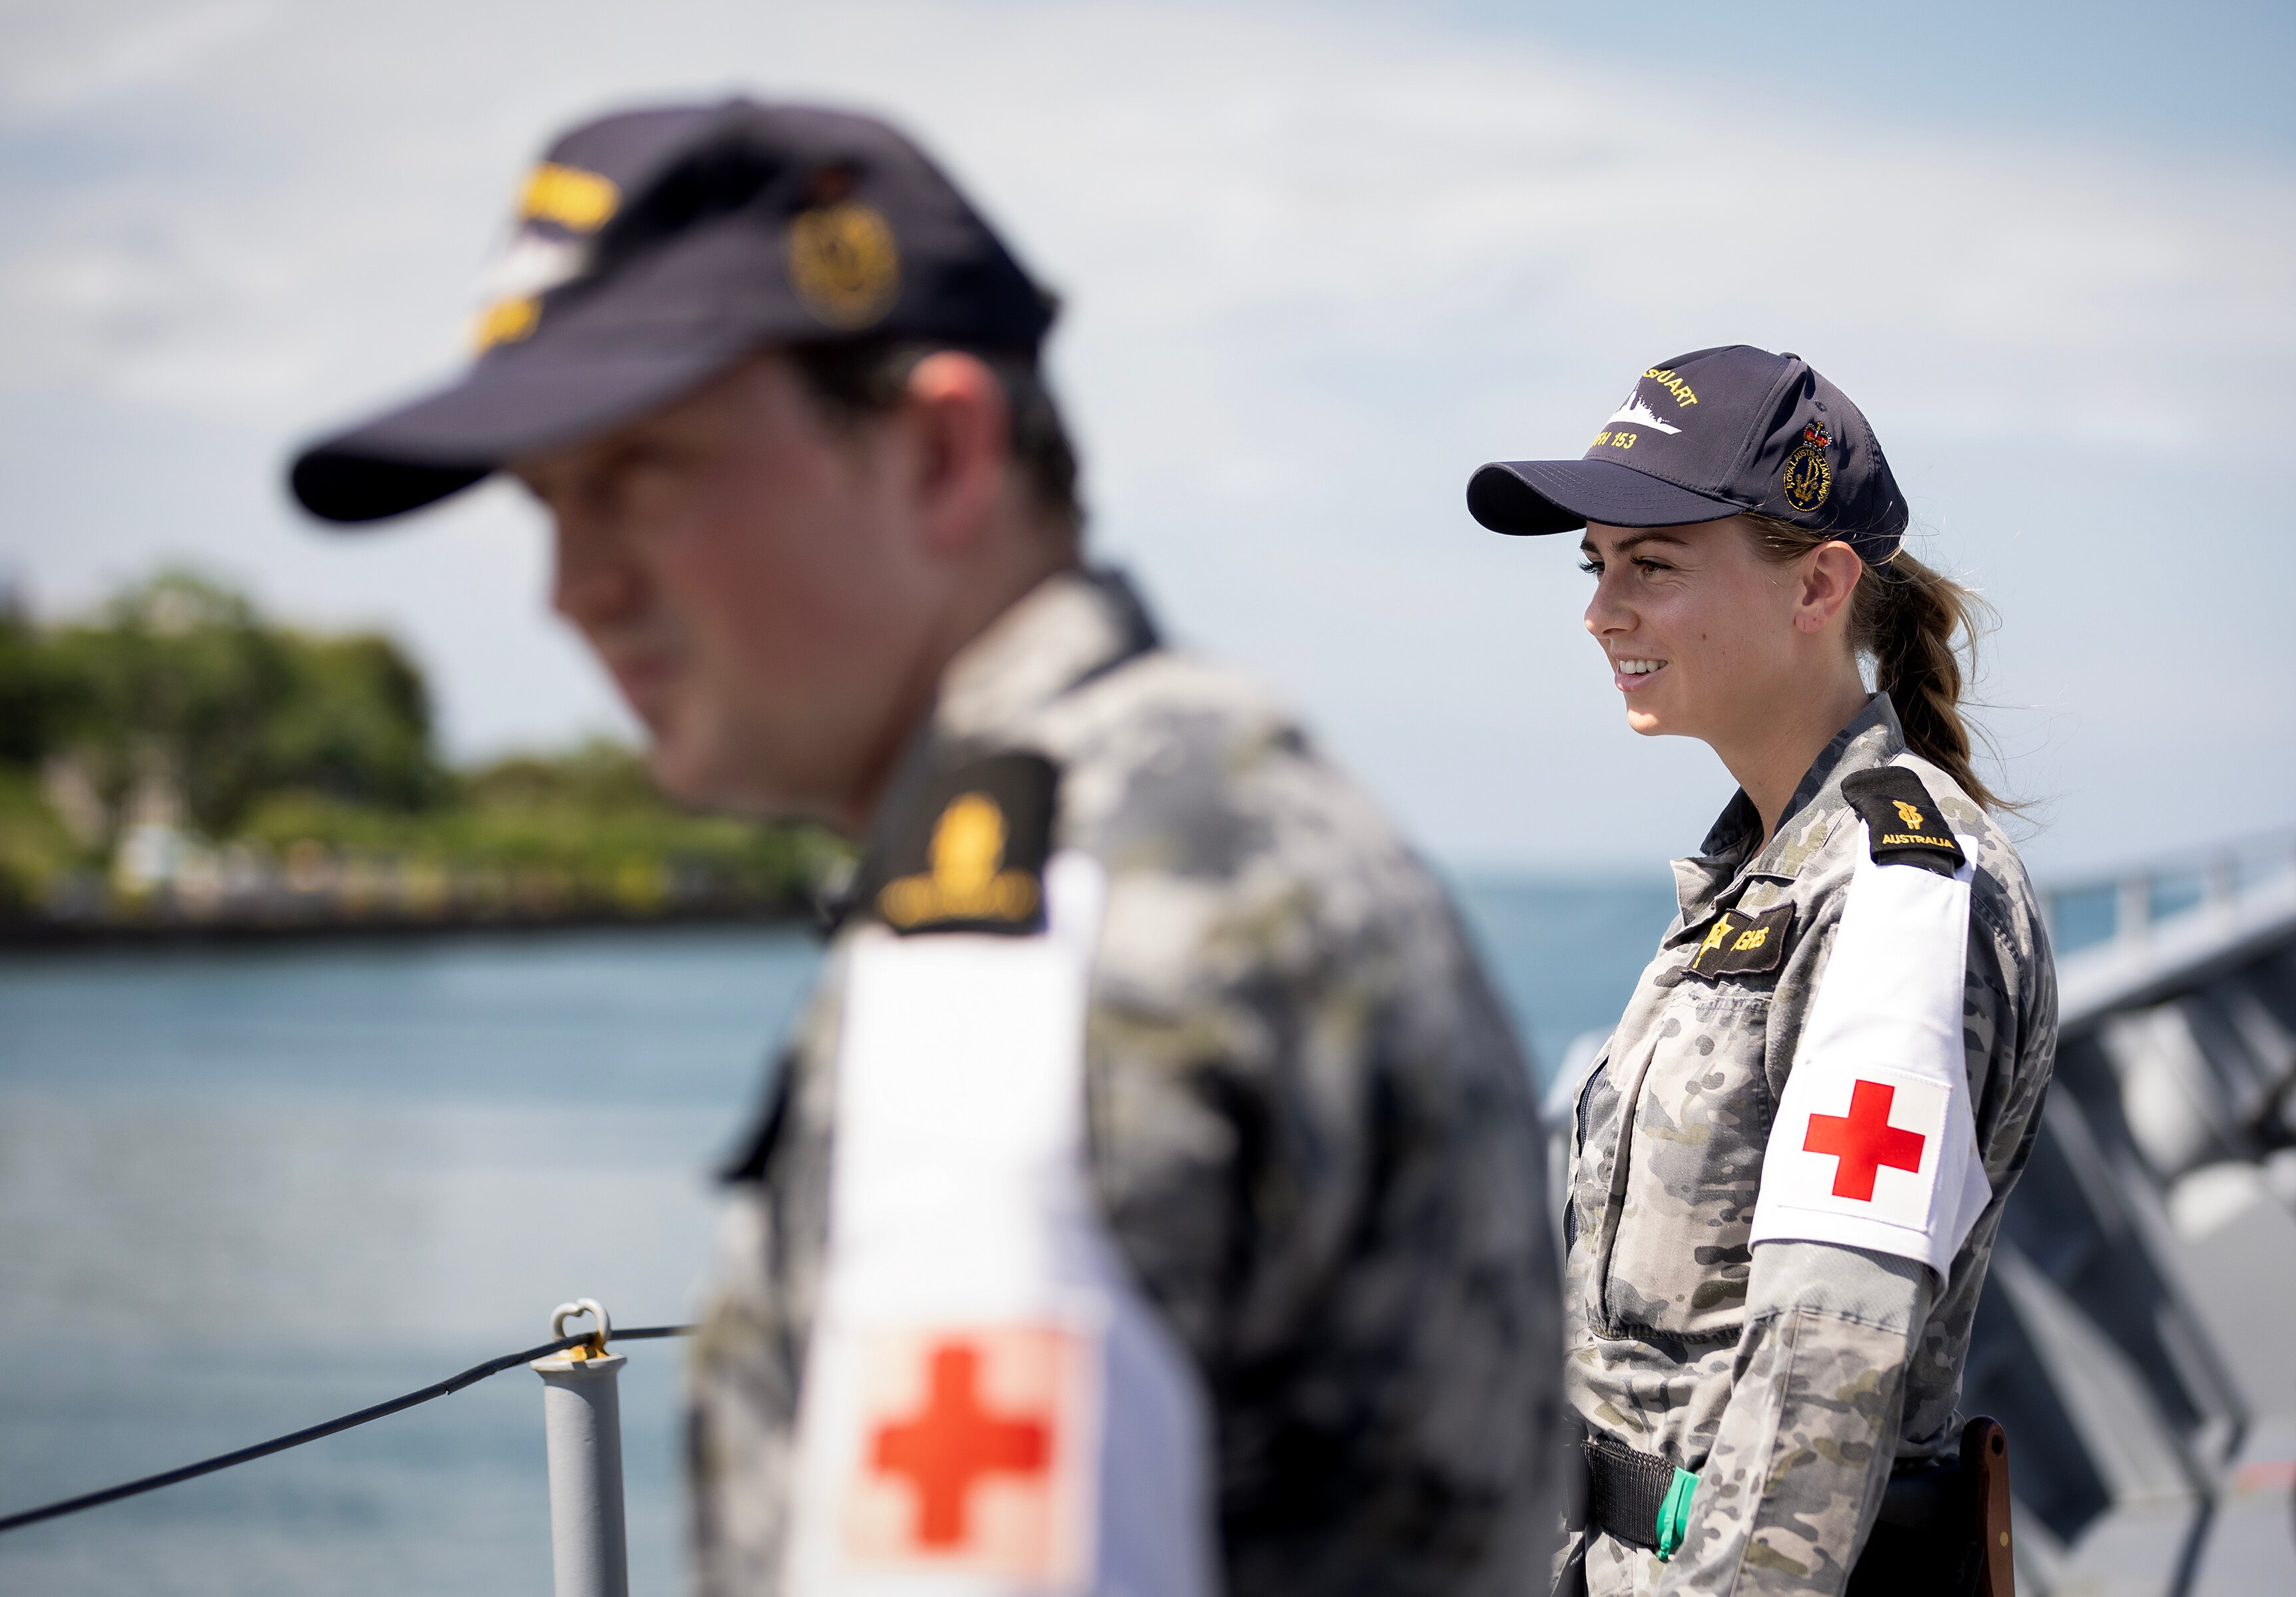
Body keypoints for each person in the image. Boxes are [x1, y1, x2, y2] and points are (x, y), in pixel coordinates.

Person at [288, 101, 1559, 1597]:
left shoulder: (1024, 949)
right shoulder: (1202, 804)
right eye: (546, 506)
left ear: (942, 454)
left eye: (637, 476)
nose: (571, 590)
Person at [1464, 345, 2057, 1595]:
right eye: (1597, 564)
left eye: (1654, 565)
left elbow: (1822, 1381)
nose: (1600, 611)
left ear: (1818, 586)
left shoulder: (1897, 893)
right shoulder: (1770, 871)